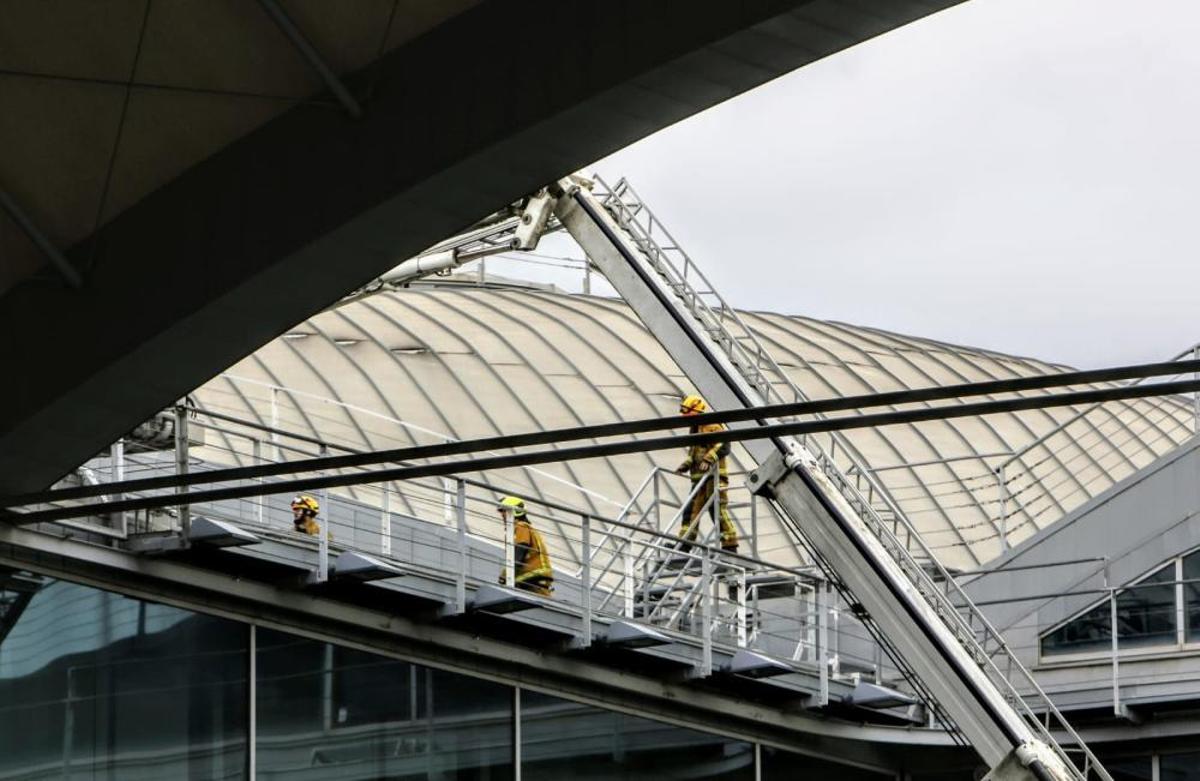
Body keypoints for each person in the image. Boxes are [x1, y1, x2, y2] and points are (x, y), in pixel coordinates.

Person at [674, 394, 739, 553]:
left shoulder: (712, 425)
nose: (687, 419)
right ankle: (685, 545)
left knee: (717, 510)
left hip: (714, 478)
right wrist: (686, 465)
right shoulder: (695, 428)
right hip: (699, 479)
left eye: (689, 415)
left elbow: (723, 445)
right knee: (690, 511)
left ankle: (730, 547)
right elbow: (694, 452)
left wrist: (709, 459)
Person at [497, 496, 554, 596]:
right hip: (535, 577)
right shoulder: (524, 528)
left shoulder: (521, 527)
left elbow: (519, 552)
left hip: (534, 577)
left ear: (515, 511)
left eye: (504, 510)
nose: (501, 514)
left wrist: (505, 575)